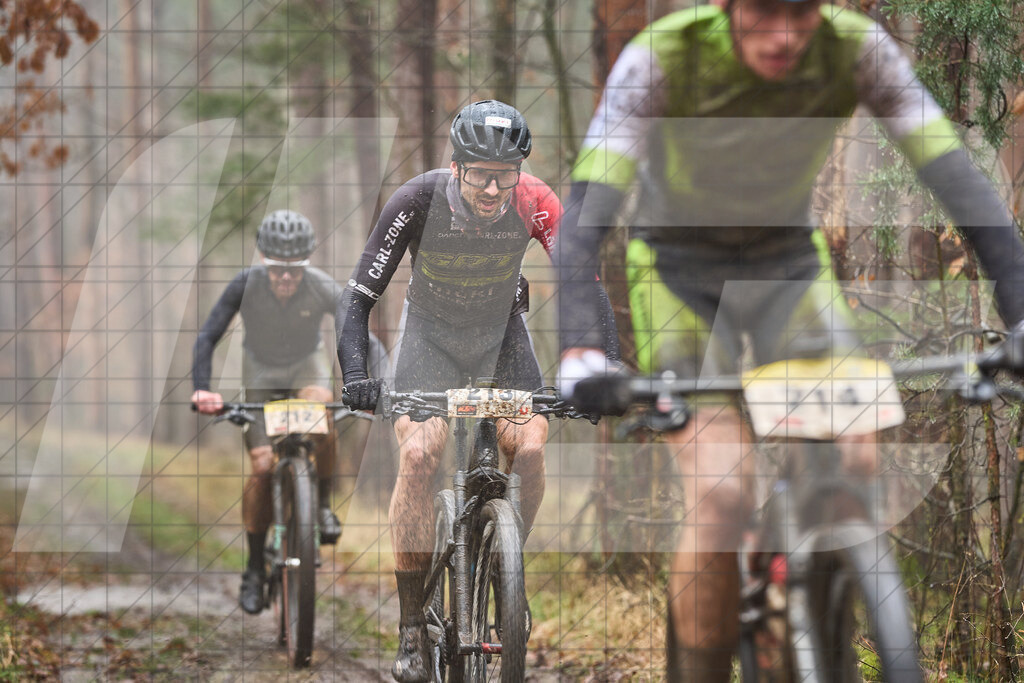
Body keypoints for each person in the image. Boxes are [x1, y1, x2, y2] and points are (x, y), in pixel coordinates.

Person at [554, 0, 1024, 680]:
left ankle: (814, 604)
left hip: (786, 265)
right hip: (678, 274)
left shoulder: (857, 48)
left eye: (799, 13)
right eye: (763, 12)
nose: (783, 36)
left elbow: (956, 178)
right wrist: (580, 348)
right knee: (719, 498)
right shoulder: (663, 57)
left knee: (855, 453)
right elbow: (588, 212)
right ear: (727, 6)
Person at [339, 100, 617, 682]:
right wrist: (357, 378)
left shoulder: (535, 201)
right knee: (419, 455)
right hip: (430, 339)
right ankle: (414, 623)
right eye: (480, 174)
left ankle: (502, 563)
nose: (493, 189)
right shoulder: (417, 200)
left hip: (502, 337)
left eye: (506, 174)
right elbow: (359, 298)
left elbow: (583, 286)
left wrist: (605, 366)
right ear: (457, 166)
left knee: (533, 446)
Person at [192, 209, 383, 615]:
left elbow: (360, 329)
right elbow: (208, 336)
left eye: (294, 270)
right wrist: (202, 389)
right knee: (262, 468)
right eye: (278, 269)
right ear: (263, 259)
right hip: (260, 375)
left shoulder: (318, 287)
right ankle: (255, 567)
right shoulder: (245, 285)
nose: (285, 278)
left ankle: (323, 505)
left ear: (306, 264)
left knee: (321, 414)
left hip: (305, 369)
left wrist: (381, 379)